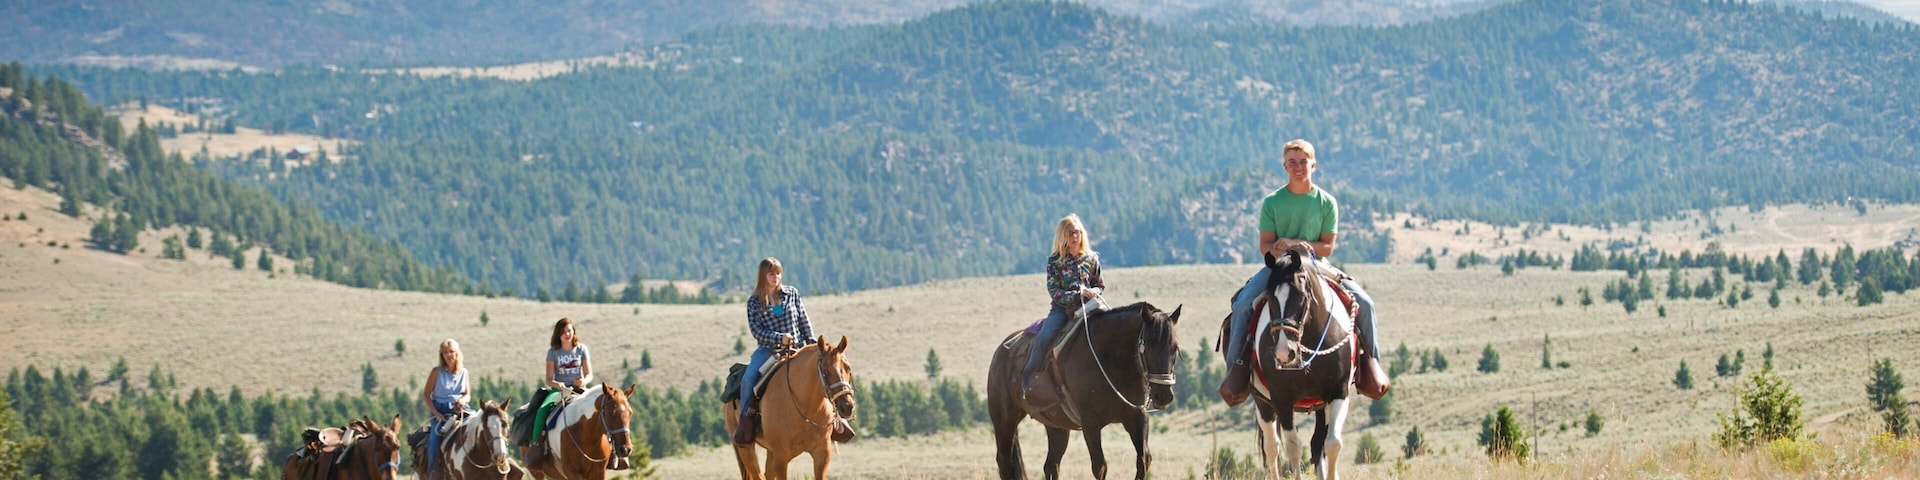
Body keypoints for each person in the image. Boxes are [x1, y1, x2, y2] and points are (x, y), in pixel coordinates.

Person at [1217, 139, 1388, 406]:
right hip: (1279, 266)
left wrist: (1297, 244)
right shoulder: (1272, 202)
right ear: (1285, 166)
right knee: (1242, 305)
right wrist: (1282, 249)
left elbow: (1327, 247)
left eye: (1303, 162)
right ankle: (1236, 370)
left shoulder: (1326, 202)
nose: (1298, 167)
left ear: (1313, 164)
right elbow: (1265, 246)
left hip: (1317, 265)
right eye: (1292, 162)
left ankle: (1370, 365)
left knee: (1365, 302)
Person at [1021, 214, 1104, 410]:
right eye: (1070, 233)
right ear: (1062, 236)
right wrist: (1075, 295)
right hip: (1062, 309)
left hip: (1090, 306)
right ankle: (1029, 377)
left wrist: (1094, 291)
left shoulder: (1092, 259)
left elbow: (1100, 285)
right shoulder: (1055, 261)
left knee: (1113, 329)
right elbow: (1053, 290)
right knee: (1045, 336)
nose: (1074, 236)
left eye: (1077, 232)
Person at [734, 257, 817, 446]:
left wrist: (812, 343)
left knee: (824, 371)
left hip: (797, 347)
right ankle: (746, 423)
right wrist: (780, 338)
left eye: (778, 273)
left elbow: (804, 320)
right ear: (763, 276)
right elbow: (757, 331)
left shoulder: (792, 293)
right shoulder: (754, 302)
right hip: (768, 350)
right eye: (771, 274)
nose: (776, 277)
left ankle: (836, 419)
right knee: (748, 379)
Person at [525, 317, 593, 469]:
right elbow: (548, 379)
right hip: (560, 390)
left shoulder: (581, 349)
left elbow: (589, 374)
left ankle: (612, 448)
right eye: (563, 332)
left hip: (579, 389)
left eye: (569, 331)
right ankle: (536, 445)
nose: (567, 334)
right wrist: (558, 384)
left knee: (599, 407)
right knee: (542, 410)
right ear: (558, 334)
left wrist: (583, 381)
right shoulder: (553, 352)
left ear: (574, 332)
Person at [422, 338, 471, 479]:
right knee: (434, 440)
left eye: (451, 351)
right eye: (445, 352)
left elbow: (467, 394)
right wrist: (436, 414)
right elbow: (426, 395)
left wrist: (462, 400)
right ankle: (433, 472)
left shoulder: (464, 372)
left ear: (457, 353)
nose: (449, 355)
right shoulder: (436, 372)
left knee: (479, 427)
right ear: (442, 355)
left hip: (460, 409)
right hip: (441, 411)